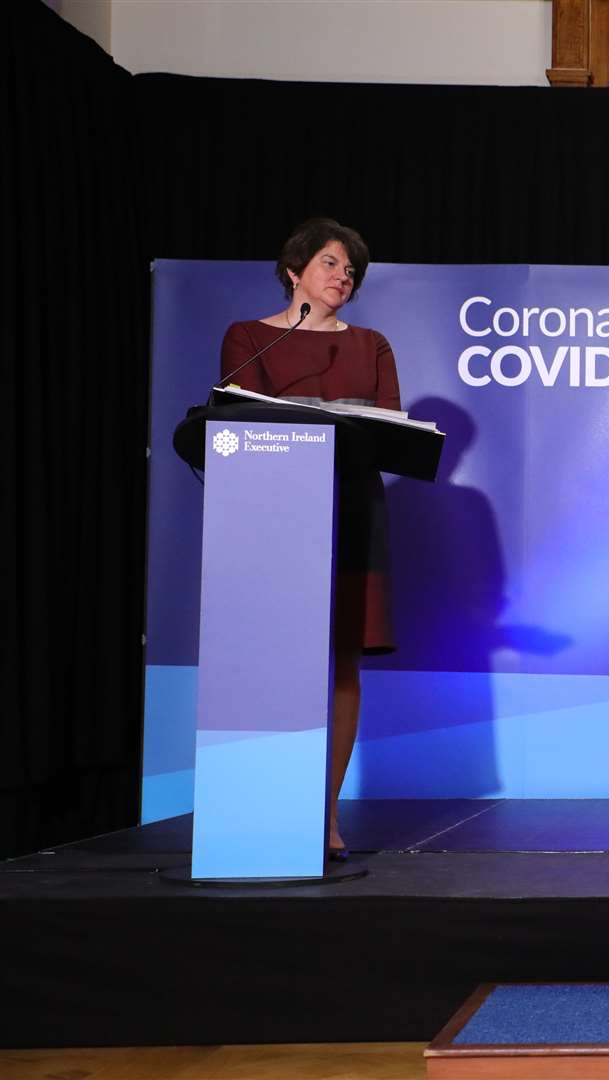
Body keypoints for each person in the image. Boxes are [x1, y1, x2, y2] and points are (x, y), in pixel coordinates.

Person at [219, 218, 401, 858]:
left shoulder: (371, 344)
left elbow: (388, 428)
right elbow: (232, 416)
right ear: (295, 270)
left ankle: (324, 817)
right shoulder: (248, 338)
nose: (342, 277)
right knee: (269, 656)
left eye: (351, 270)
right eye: (330, 263)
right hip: (270, 519)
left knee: (340, 660)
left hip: (348, 512)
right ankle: (258, 808)